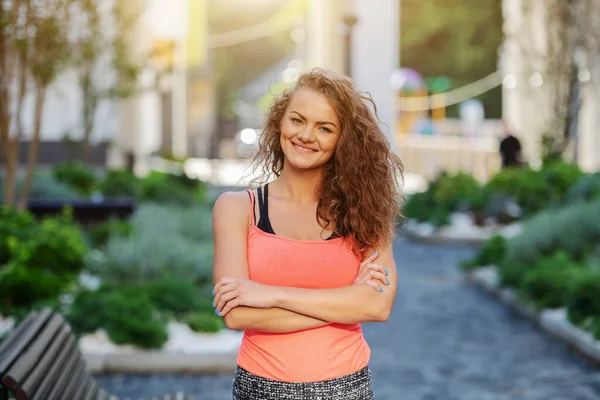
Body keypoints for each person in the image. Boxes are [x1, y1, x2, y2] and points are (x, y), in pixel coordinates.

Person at [211, 68, 405, 400]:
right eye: (297, 120)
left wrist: (270, 295)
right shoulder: (236, 208)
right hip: (260, 388)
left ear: (343, 140)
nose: (306, 135)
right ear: (279, 123)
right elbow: (236, 313)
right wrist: (346, 300)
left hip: (346, 388)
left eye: (324, 128)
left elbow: (377, 306)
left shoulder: (364, 212)